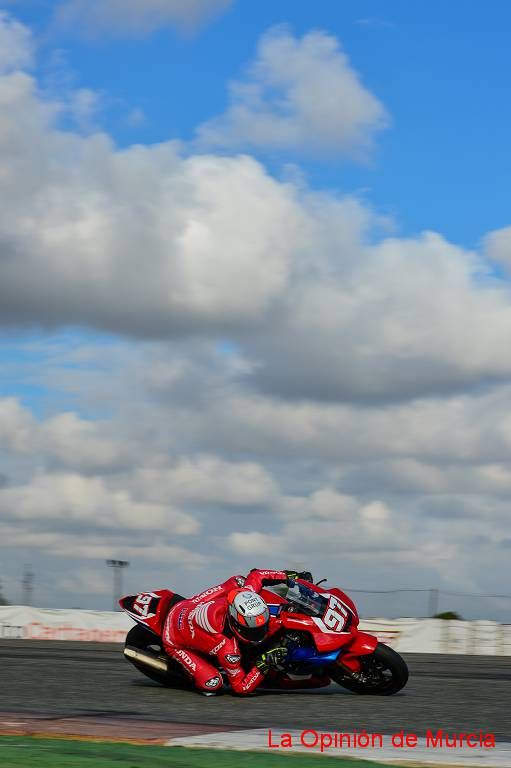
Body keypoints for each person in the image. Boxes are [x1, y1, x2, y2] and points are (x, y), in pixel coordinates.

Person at [162, 568, 312, 695]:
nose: (261, 633)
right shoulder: (228, 650)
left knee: (237, 581)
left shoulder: (243, 592)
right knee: (213, 684)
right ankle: (189, 672)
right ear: (236, 624)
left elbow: (257, 575)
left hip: (189, 605)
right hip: (174, 637)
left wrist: (290, 576)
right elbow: (241, 687)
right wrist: (264, 664)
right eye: (254, 631)